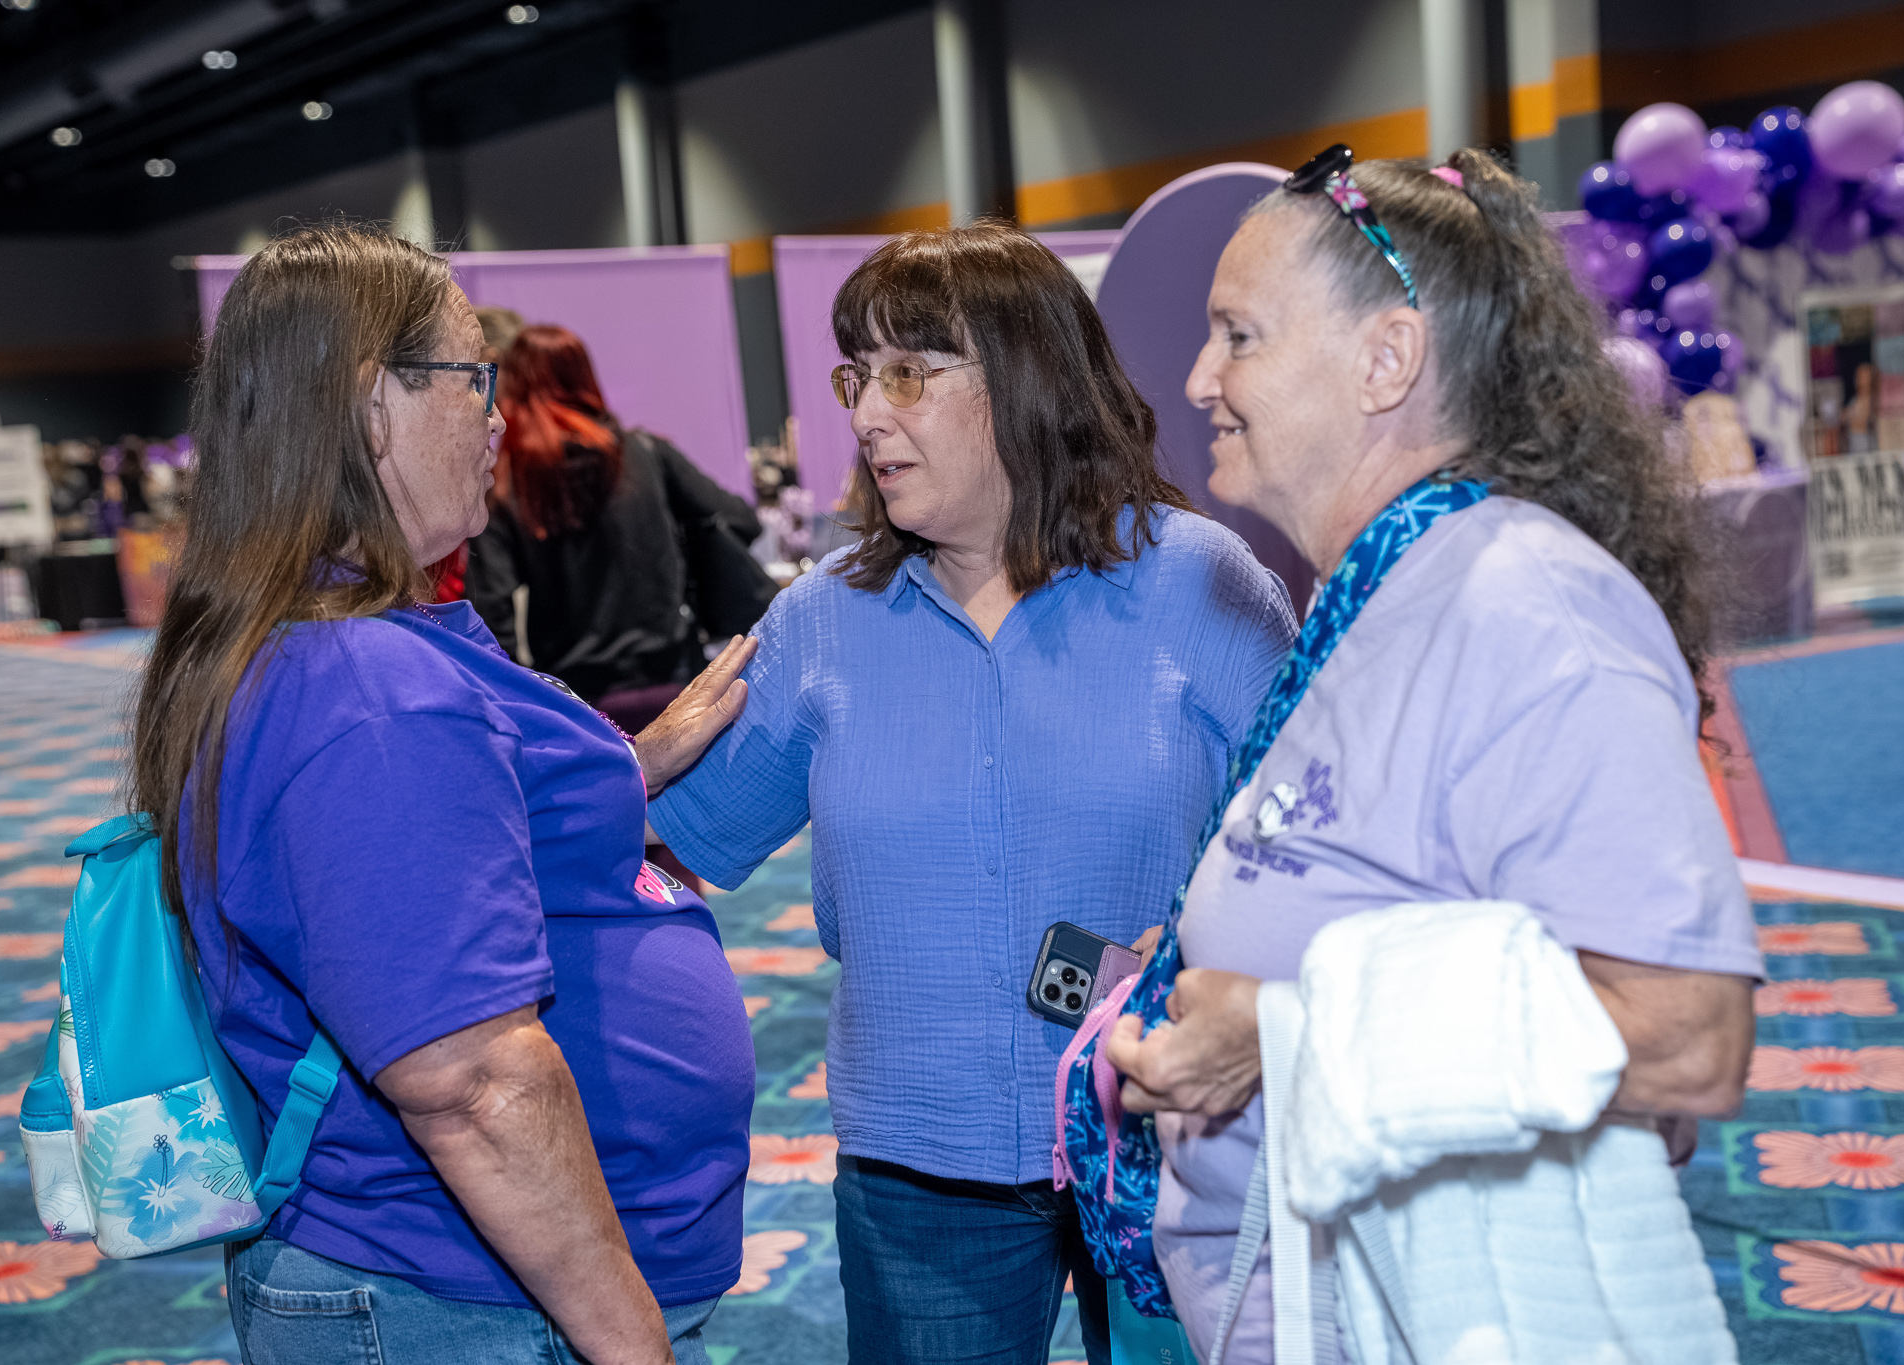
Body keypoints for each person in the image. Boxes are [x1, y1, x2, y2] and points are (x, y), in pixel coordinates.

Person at [1102, 147, 1760, 1360]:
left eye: (1238, 335)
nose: (1196, 378)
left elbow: (1686, 1034)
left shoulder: (1530, 612)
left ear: (1386, 359)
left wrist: (1279, 1030)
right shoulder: (1383, 588)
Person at [647, 223, 1299, 1365]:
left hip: (1172, 1133)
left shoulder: (1201, 584)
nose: (864, 413)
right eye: (856, 376)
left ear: (1026, 377)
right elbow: (671, 845)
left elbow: (1319, 851)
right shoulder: (821, 621)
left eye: (906, 373)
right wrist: (612, 776)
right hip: (920, 1168)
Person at [130, 222, 759, 1365]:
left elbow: (441, 853)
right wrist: (631, 1342)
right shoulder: (368, 691)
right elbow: (470, 1084)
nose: (496, 419)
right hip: (466, 1299)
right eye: (475, 380)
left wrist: (630, 765)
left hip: (456, 1285)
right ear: (373, 403)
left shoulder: (333, 640)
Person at [465, 324, 763, 736]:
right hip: (678, 686)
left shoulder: (508, 483)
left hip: (580, 709)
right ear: (586, 378)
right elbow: (742, 520)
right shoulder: (645, 453)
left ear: (516, 386)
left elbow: (491, 613)